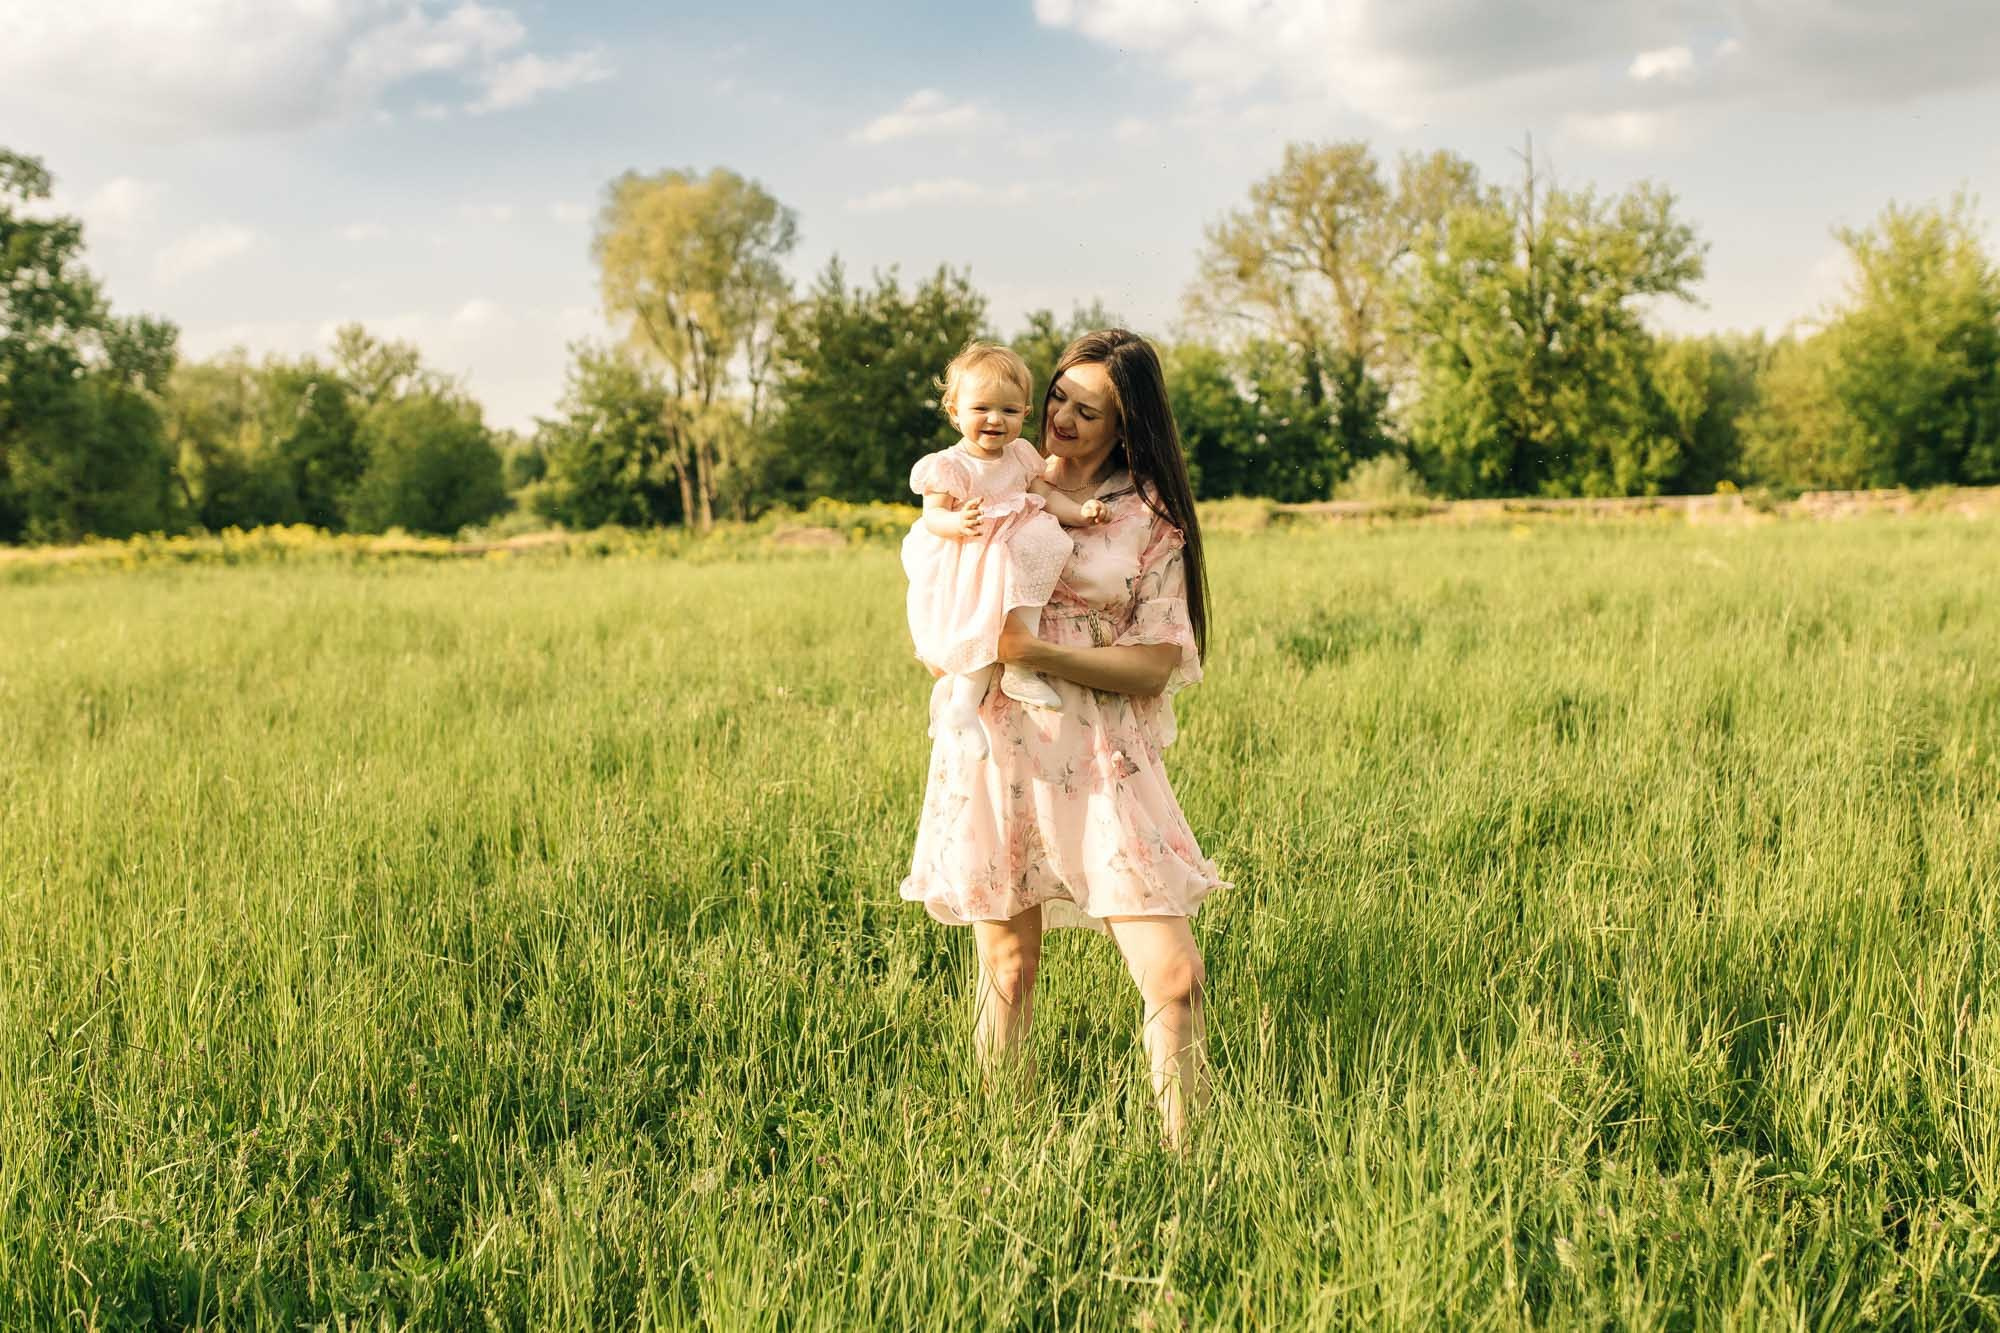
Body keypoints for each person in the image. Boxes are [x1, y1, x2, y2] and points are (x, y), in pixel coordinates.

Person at [901, 328, 1226, 1148]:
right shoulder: (991, 476)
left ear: (1128, 424)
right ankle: (1000, 1150)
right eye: (1057, 398)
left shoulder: (1149, 517)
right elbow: (932, 587)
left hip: (1101, 756)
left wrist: (1038, 651)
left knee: (1176, 977)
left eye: (1090, 410)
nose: (1062, 419)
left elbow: (1155, 663)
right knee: (1008, 969)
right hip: (998, 745)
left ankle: (1188, 1155)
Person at [902, 341, 1112, 759]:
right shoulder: (950, 465)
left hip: (1014, 549)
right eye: (981, 409)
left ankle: (1019, 668)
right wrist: (958, 524)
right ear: (954, 411)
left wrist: (1080, 512)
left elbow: (1045, 496)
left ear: (1026, 414)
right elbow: (932, 516)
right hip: (974, 551)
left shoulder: (1020, 456)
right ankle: (962, 705)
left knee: (1042, 543)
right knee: (983, 627)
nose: (995, 420)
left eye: (1010, 411)